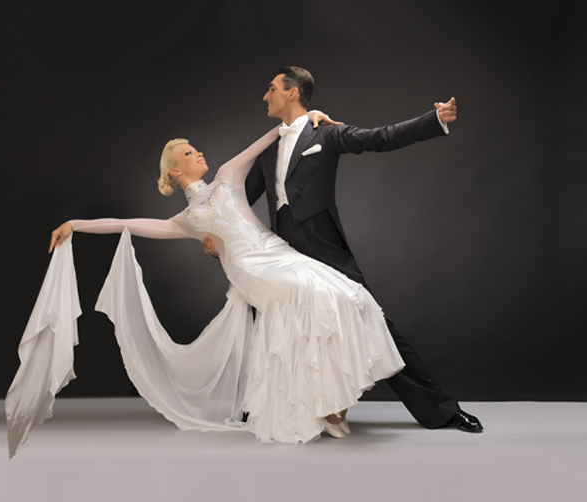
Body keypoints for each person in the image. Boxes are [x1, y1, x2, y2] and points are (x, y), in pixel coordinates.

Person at [5, 111, 406, 457]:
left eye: (195, 149)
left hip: (279, 252)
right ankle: (319, 405)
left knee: (345, 292)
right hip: (249, 268)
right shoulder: (184, 221)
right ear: (175, 172)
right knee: (300, 294)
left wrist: (310, 116)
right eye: (187, 153)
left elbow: (273, 135)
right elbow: (124, 224)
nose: (198, 153)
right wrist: (75, 224)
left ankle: (333, 400)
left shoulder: (228, 176)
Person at [203, 66, 483, 433]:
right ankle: (255, 407)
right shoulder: (269, 148)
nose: (265, 96)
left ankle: (441, 410)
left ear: (292, 93)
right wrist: (215, 231)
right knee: (267, 323)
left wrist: (434, 120)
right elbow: (241, 198)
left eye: (271, 89)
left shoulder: (326, 133)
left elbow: (381, 137)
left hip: (323, 244)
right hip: (280, 249)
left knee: (372, 321)